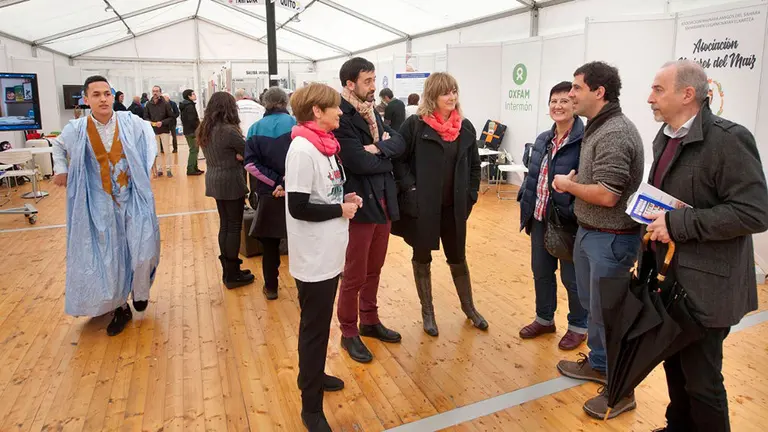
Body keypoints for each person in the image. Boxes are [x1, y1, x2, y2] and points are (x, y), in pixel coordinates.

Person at [645, 60, 768, 432]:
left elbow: (754, 212)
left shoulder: (729, 139)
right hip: (670, 278)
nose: (649, 97)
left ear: (687, 94)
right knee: (673, 364)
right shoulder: (665, 136)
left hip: (708, 287)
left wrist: (677, 224)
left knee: (702, 381)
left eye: (657, 89)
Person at [552, 61, 644, 419]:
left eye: (576, 88)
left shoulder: (615, 133)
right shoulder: (598, 126)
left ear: (598, 92)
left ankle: (621, 391)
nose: (570, 94)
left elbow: (607, 195)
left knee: (612, 317)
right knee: (597, 311)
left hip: (611, 239)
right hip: (593, 234)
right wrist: (578, 182)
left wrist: (569, 184)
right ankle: (600, 364)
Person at [51, 75, 160, 336]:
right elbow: (57, 146)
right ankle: (119, 305)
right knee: (110, 257)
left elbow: (148, 138)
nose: (103, 99)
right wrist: (61, 168)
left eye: (107, 94)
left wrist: (146, 168)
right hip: (98, 204)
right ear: (86, 99)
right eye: (97, 95)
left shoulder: (129, 121)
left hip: (133, 198)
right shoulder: (76, 128)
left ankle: (141, 291)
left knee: (144, 248)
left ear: (112, 96)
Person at [285, 83, 361, 432]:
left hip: (329, 251)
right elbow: (298, 206)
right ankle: (311, 407)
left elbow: (325, 191)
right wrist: (339, 208)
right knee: (313, 331)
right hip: (313, 256)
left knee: (318, 326)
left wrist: (347, 198)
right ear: (317, 111)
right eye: (335, 108)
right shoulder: (302, 149)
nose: (341, 112)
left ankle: (311, 376)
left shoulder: (325, 146)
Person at [392, 72, 487, 337]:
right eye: (446, 92)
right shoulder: (415, 126)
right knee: (422, 257)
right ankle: (428, 312)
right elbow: (397, 160)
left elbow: (474, 166)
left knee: (458, 257)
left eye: (454, 91)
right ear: (432, 96)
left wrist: (471, 195)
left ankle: (469, 308)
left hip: (455, 208)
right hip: (423, 208)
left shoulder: (464, 127)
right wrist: (411, 187)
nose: (452, 97)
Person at [334, 57, 407, 363]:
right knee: (354, 273)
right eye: (367, 81)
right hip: (360, 203)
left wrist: (378, 149)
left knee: (374, 268)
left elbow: (400, 142)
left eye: (374, 79)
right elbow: (356, 161)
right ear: (350, 84)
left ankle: (370, 320)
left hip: (383, 201)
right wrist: (384, 153)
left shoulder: (373, 113)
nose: (374, 86)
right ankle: (348, 331)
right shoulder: (343, 116)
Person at [517, 81, 588, 351]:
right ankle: (544, 319)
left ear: (574, 105)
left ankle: (578, 326)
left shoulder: (584, 141)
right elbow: (534, 176)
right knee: (541, 272)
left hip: (569, 222)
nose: (558, 106)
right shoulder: (543, 139)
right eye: (553, 101)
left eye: (564, 101)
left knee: (572, 278)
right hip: (539, 218)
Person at [197, 92, 255, 289]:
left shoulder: (205, 128)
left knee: (225, 224)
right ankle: (232, 274)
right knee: (234, 226)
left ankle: (230, 271)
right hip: (230, 181)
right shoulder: (229, 130)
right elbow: (249, 152)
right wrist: (239, 156)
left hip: (214, 179)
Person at [244, 87, 296, 300]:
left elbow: (250, 164)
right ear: (285, 102)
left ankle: (271, 287)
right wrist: (287, 181)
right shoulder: (296, 125)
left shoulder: (254, 129)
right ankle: (305, 291)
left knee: (270, 246)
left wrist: (275, 182)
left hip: (268, 195)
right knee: (301, 243)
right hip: (296, 192)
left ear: (265, 103)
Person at [143, 85, 175, 177]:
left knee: (166, 151)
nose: (155, 93)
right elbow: (145, 116)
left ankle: (169, 169)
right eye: (153, 91)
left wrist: (162, 122)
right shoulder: (148, 104)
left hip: (164, 130)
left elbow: (171, 117)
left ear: (160, 92)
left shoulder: (165, 104)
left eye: (157, 91)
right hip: (153, 131)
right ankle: (159, 169)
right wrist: (149, 122)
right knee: (157, 151)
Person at [179, 89, 203, 176]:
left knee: (195, 150)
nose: (195, 95)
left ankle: (194, 168)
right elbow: (192, 120)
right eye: (193, 94)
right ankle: (191, 169)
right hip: (192, 131)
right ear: (189, 96)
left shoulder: (185, 106)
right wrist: (198, 129)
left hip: (188, 130)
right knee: (194, 150)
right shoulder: (189, 106)